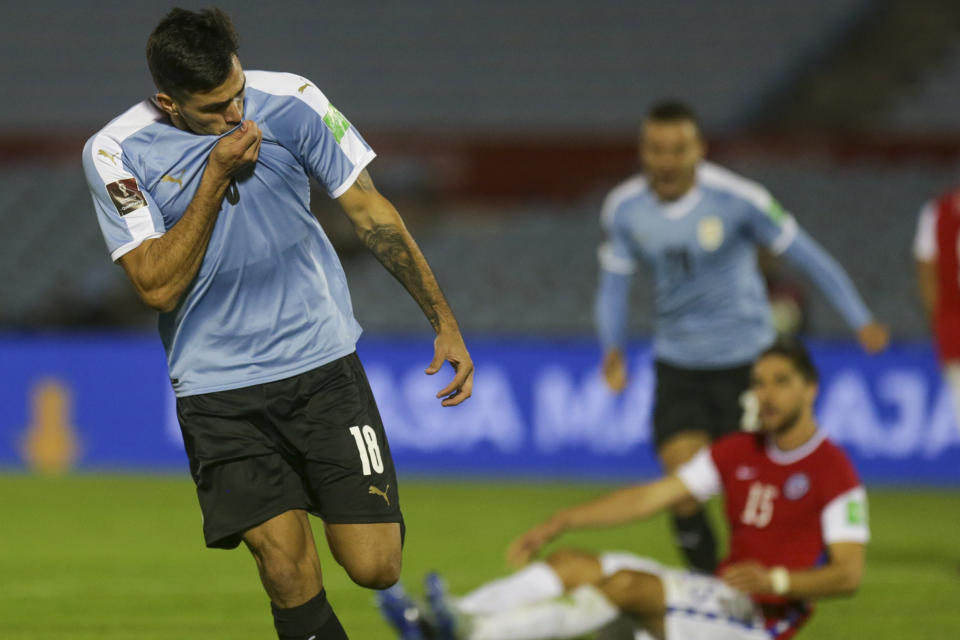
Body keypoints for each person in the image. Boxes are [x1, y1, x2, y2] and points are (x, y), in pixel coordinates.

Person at [81, 8, 473, 640]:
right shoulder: (114, 152)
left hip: (322, 369)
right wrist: (214, 173)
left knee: (375, 565)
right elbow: (155, 284)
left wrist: (443, 319)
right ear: (166, 102)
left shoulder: (293, 99)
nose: (236, 117)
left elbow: (369, 209)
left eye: (236, 94)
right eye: (213, 109)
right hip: (217, 390)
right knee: (287, 572)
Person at [380, 341, 869, 640]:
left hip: (758, 622)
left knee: (625, 588)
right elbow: (651, 496)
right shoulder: (737, 450)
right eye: (760, 383)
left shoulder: (834, 471)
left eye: (781, 382)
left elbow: (848, 576)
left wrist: (776, 582)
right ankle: (448, 618)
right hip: (719, 594)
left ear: (811, 388)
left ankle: (472, 633)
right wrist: (565, 519)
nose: (767, 394)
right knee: (569, 562)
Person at [595, 101, 886, 574]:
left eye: (677, 150)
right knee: (682, 485)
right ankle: (708, 587)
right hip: (678, 363)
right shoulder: (625, 209)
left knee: (752, 491)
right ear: (643, 152)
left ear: (699, 151)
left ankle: (788, 567)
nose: (666, 161)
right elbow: (613, 285)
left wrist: (859, 316)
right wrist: (611, 347)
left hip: (747, 363)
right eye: (656, 150)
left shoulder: (739, 199)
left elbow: (806, 255)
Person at [913, 189, 960, 434]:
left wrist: (940, 319)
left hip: (953, 326)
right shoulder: (935, 213)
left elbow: (926, 273)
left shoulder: (936, 213)